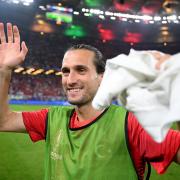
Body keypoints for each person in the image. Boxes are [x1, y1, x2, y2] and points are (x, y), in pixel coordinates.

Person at [0, 23, 179, 180]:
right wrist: (3, 70)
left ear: (102, 77)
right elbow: (3, 121)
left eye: (81, 70)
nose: (70, 80)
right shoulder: (51, 118)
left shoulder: (131, 125)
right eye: (65, 71)